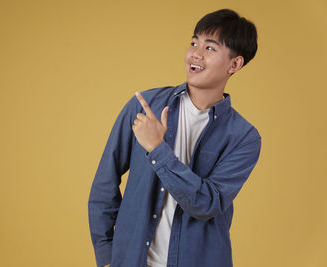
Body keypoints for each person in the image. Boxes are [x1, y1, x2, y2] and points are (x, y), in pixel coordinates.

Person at [88, 8, 261, 267]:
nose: (195, 54)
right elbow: (105, 181)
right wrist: (105, 256)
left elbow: (206, 204)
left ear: (234, 64)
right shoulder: (144, 106)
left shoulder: (243, 137)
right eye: (194, 42)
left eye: (210, 48)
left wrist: (158, 149)